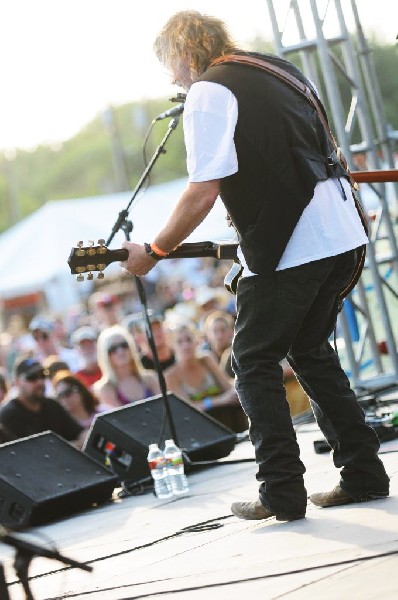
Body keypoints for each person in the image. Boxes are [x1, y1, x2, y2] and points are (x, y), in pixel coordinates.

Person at [120, 10, 389, 521]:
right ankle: (364, 475)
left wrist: (154, 251)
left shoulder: (209, 91)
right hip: (343, 231)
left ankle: (281, 491)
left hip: (296, 244)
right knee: (309, 349)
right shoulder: (275, 68)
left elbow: (202, 191)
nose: (173, 80)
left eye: (170, 66)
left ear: (182, 52)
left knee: (252, 360)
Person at [164, 322, 247, 433]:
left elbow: (227, 386)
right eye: (179, 342)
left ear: (197, 341)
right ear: (173, 346)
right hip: (200, 428)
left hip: (228, 419)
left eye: (189, 340)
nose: (186, 346)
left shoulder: (206, 359)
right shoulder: (170, 375)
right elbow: (188, 409)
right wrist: (219, 401)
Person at [0, 357, 85, 447]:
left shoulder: (52, 405)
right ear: (17, 382)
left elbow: (80, 434)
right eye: (32, 377)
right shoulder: (7, 416)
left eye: (43, 375)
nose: (40, 382)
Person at [94, 325, 160, 407]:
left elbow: (164, 407)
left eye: (124, 345)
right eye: (113, 349)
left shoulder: (150, 379)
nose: (120, 351)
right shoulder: (106, 389)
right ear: (106, 356)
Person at [52, 370, 108, 436]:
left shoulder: (103, 412)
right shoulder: (65, 428)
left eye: (68, 392)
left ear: (80, 390)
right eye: (60, 396)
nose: (65, 399)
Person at [203, 310, 235, 378]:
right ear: (208, 334)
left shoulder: (237, 352)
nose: (219, 336)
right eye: (215, 331)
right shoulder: (203, 355)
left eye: (223, 330)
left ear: (231, 332)